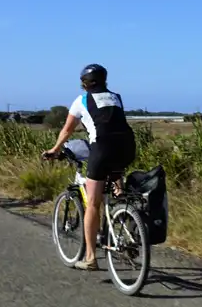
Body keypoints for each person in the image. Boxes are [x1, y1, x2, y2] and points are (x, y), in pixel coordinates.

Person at [43, 64, 137, 271]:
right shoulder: (116, 97)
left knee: (93, 204)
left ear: (84, 83)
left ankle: (90, 258)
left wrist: (55, 149)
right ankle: (125, 220)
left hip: (102, 148)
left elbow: (67, 129)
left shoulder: (81, 100)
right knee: (116, 184)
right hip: (128, 148)